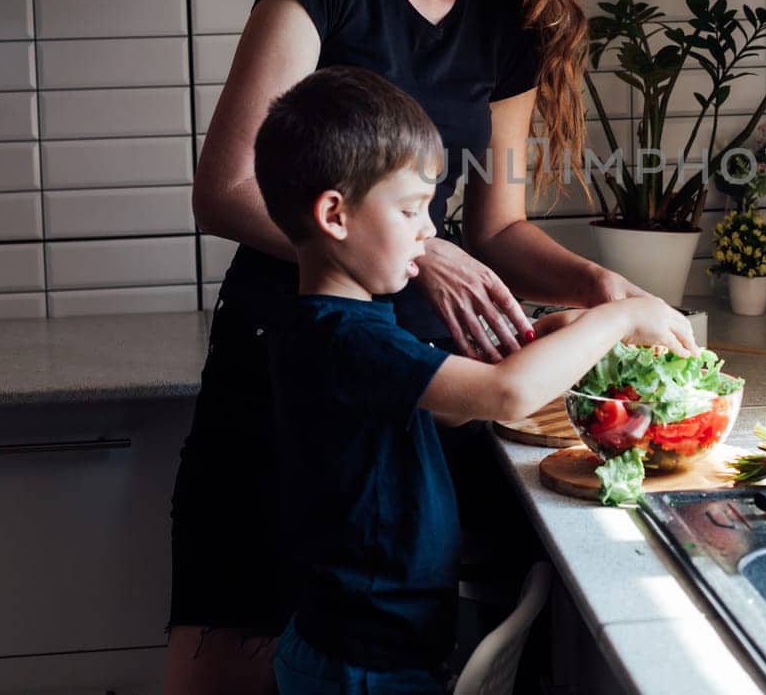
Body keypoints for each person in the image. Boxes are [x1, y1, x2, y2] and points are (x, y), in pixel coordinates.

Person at [165, 0, 656, 694]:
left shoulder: (508, 17)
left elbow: (501, 228)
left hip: (423, 394)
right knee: (227, 663)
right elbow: (225, 187)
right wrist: (421, 254)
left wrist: (602, 286)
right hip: (284, 373)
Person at [253, 67, 695, 694]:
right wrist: (618, 316)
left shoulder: (347, 320)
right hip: (360, 665)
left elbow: (451, 404)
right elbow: (506, 394)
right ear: (335, 215)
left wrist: (546, 340)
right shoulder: (344, 337)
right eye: (410, 209)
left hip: (376, 644)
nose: (429, 231)